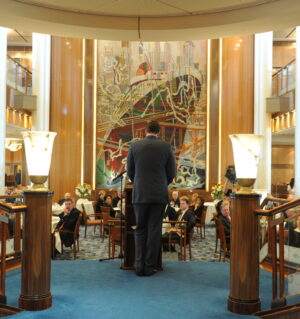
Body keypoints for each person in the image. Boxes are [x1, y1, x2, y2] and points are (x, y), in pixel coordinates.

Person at [127, 120, 176, 276]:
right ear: (159, 132)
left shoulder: (135, 146)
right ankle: (149, 267)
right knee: (154, 230)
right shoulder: (166, 147)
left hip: (140, 194)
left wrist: (139, 183)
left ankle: (138, 265)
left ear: (146, 131)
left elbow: (130, 171)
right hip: (158, 195)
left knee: (140, 229)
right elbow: (171, 173)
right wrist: (161, 183)